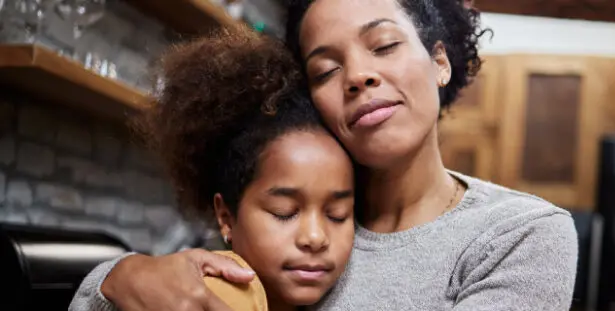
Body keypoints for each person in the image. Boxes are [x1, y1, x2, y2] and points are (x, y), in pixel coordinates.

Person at [69, 1, 579, 310]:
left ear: (440, 62)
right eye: (325, 69)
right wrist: (121, 276)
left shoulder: (520, 235)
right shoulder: (289, 215)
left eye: (382, 46)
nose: (358, 75)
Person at [68, 26, 356, 311]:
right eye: (284, 212)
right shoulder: (183, 298)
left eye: (337, 215)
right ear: (226, 217)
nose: (316, 238)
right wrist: (118, 276)